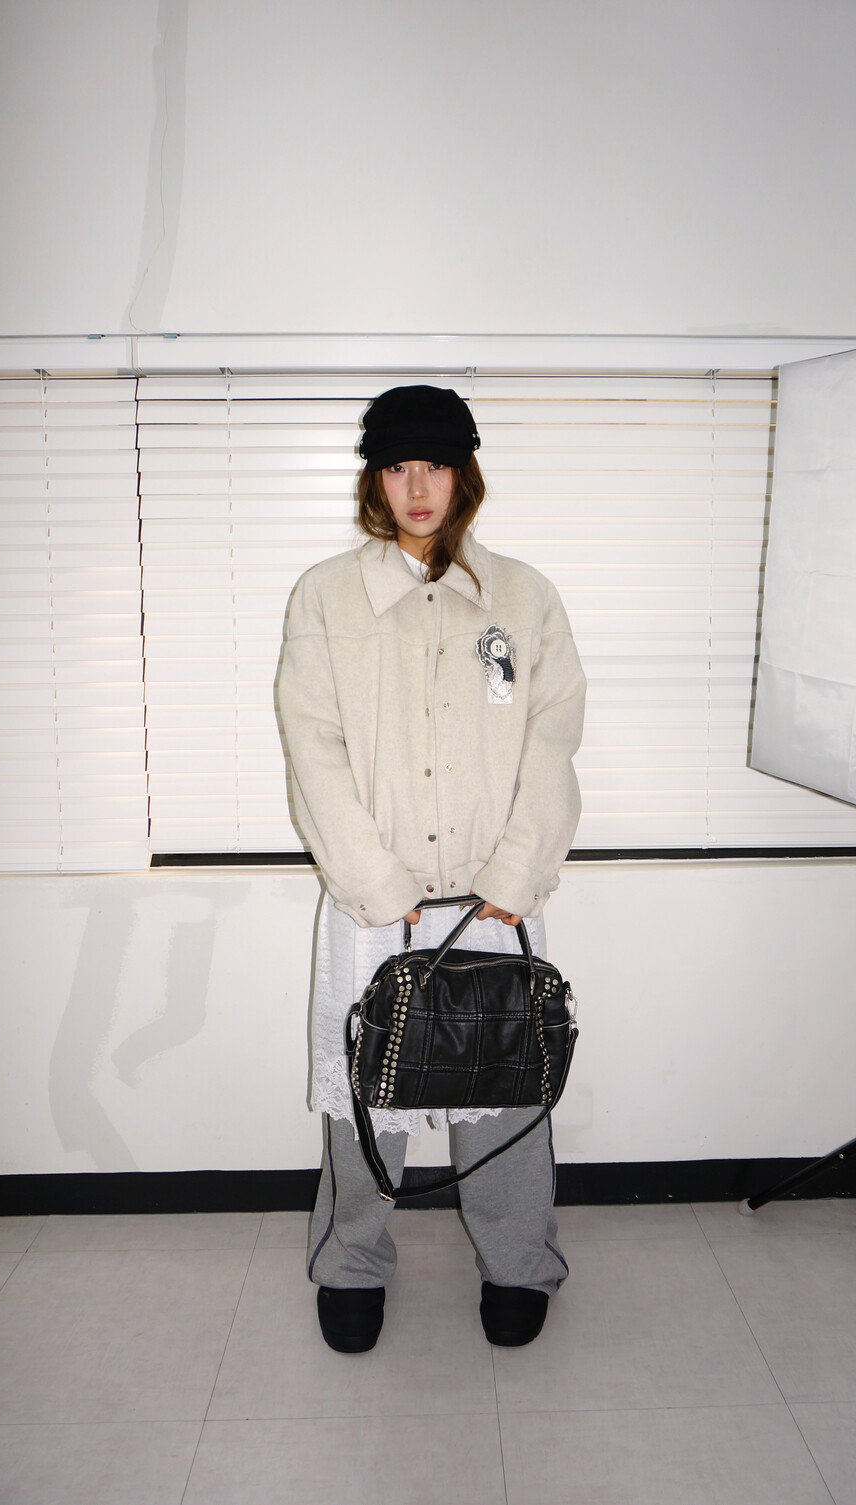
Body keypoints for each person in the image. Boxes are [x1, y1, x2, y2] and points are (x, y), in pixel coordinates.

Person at [278, 385, 586, 1353]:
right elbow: (313, 749)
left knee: (506, 1082)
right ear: (375, 479)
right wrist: (379, 886)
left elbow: (552, 741)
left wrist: (515, 872)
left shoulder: (524, 597)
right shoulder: (326, 595)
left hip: (496, 898)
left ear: (465, 475)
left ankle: (518, 1259)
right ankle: (352, 1261)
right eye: (398, 466)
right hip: (374, 902)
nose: (417, 487)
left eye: (436, 465)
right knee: (365, 1090)